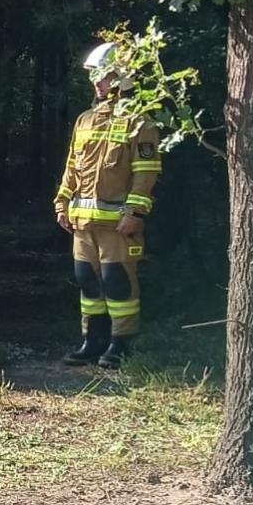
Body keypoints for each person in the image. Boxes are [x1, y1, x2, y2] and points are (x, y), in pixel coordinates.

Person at [54, 43, 161, 369]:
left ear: (123, 78)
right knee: (87, 281)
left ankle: (121, 344)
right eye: (95, 76)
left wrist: (135, 213)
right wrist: (62, 202)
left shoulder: (139, 123)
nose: (97, 82)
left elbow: (146, 173)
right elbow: (72, 167)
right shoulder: (84, 121)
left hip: (118, 225)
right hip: (83, 224)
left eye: (105, 75)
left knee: (118, 283)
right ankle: (93, 341)